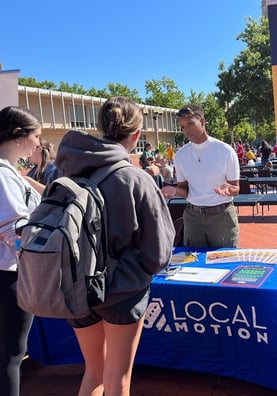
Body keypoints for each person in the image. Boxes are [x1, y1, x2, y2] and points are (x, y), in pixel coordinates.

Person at [54, 97, 175, 396]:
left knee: (93, 373)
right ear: (136, 135)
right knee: (118, 379)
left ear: (99, 128)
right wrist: (137, 273)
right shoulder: (135, 178)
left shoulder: (65, 172)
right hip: (121, 290)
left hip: (76, 285)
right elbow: (159, 249)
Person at [0, 106, 42, 396]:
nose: (39, 143)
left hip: (11, 272)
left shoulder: (9, 173)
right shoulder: (3, 175)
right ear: (18, 137)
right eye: (36, 136)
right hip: (11, 275)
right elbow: (12, 231)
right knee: (12, 354)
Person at [161, 104, 240, 248]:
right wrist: (175, 191)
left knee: (223, 263)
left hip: (222, 215)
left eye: (190, 124)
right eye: (183, 127)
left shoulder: (225, 151)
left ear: (202, 122)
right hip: (193, 217)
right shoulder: (181, 155)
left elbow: (236, 188)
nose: (186, 130)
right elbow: (184, 190)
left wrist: (229, 189)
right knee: (194, 264)